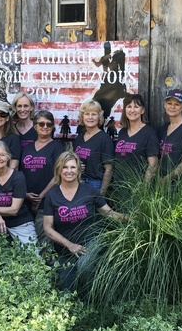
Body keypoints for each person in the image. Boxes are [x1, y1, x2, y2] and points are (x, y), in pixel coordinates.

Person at [43, 152, 126, 291]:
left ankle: (96, 300)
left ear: (79, 170)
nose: (69, 171)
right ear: (58, 170)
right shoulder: (52, 195)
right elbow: (47, 228)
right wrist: (69, 245)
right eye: (65, 167)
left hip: (91, 242)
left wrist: (130, 217)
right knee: (67, 289)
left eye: (72, 167)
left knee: (85, 265)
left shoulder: (89, 190)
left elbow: (109, 214)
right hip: (65, 250)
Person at [19, 110, 65, 215]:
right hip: (25, 201)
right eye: (41, 124)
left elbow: (59, 175)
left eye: (49, 124)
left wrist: (40, 197)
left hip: (47, 201)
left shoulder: (57, 147)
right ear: (35, 126)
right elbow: (21, 173)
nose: (45, 127)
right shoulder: (27, 147)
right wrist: (25, 194)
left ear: (52, 127)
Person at [113, 93, 159, 183]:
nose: (132, 110)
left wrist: (144, 189)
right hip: (119, 187)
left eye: (136, 107)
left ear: (142, 110)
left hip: (137, 187)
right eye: (129, 106)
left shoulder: (149, 132)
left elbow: (153, 164)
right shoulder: (122, 132)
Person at [73, 100, 114, 195]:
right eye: (87, 114)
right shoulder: (79, 139)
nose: (90, 117)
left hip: (95, 184)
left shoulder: (104, 139)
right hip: (78, 182)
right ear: (82, 117)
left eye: (94, 114)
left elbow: (109, 169)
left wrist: (102, 193)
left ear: (99, 117)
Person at [91, 42, 128, 119]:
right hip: (109, 78)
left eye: (107, 49)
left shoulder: (112, 57)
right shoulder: (106, 57)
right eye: (106, 49)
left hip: (113, 78)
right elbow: (98, 64)